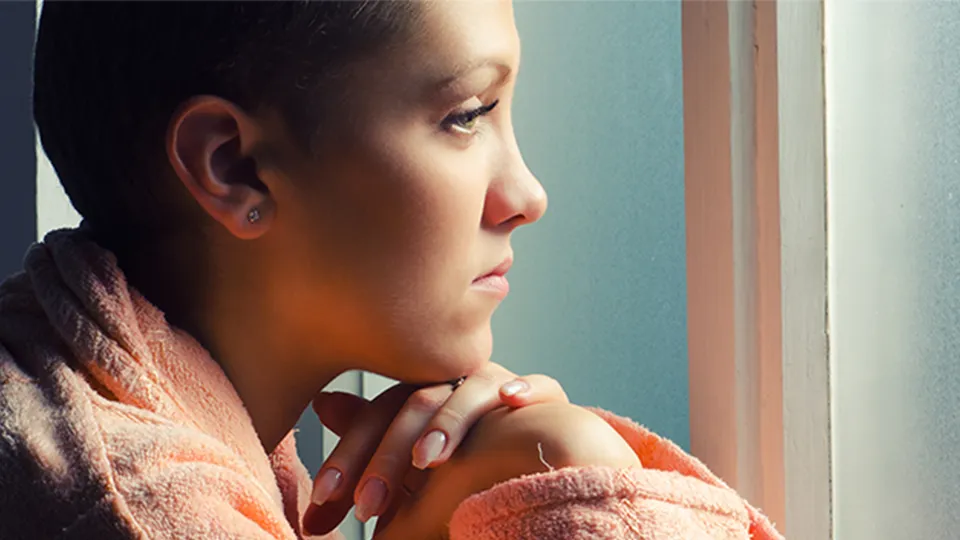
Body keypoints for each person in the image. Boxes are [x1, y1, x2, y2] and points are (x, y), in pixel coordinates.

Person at [0, 1, 783, 539]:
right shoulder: (130, 506)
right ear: (234, 167)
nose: (528, 197)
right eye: (467, 116)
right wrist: (579, 470)